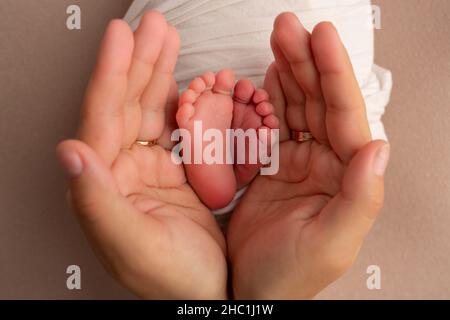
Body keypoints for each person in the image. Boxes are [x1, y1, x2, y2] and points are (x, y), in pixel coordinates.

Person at [56, 10, 390, 299]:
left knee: (152, 54)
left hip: (164, 144)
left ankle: (218, 167)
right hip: (307, 156)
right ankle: (223, 167)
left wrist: (209, 297)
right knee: (346, 124)